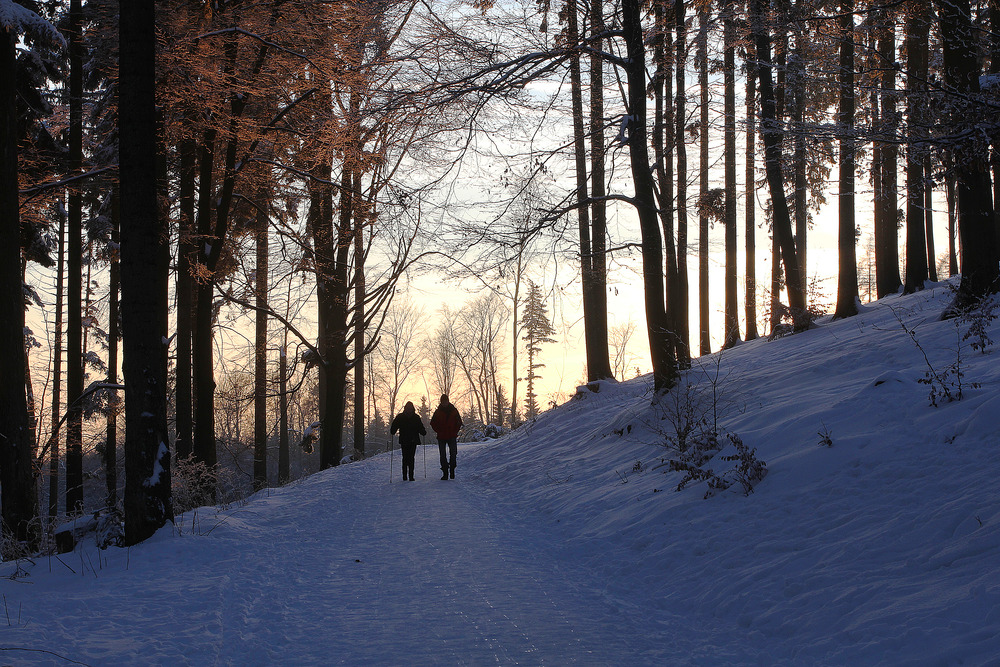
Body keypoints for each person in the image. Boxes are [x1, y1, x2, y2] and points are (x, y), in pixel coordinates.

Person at [390, 401, 426, 481]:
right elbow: (394, 426)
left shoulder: (403, 417)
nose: (409, 410)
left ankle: (409, 476)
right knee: (407, 458)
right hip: (407, 440)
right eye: (408, 408)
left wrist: (423, 431)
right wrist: (423, 431)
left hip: (409, 440)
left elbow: (420, 427)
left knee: (408, 457)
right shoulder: (413, 417)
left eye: (410, 409)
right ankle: (407, 476)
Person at [430, 394, 462, 480]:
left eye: (445, 401)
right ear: (441, 402)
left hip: (452, 435)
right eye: (443, 402)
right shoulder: (437, 412)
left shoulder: (454, 411)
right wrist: (438, 430)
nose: (444, 403)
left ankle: (452, 470)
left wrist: (455, 430)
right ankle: (445, 473)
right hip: (441, 436)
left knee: (453, 454)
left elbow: (459, 422)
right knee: (443, 455)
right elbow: (432, 423)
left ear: (448, 401)